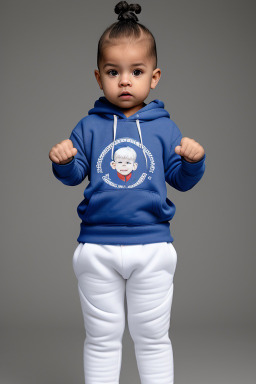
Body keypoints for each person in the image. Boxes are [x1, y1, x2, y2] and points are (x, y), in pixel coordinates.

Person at [49, 2, 206, 383]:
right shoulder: (88, 127)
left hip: (152, 248)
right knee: (101, 338)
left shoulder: (164, 129)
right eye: (113, 72)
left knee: (152, 337)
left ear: (154, 77)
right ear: (98, 77)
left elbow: (180, 181)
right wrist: (65, 161)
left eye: (135, 72)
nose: (124, 81)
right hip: (97, 249)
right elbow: (75, 176)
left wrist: (192, 162)